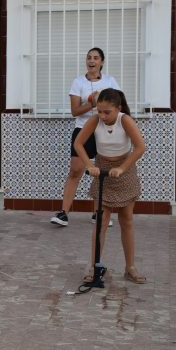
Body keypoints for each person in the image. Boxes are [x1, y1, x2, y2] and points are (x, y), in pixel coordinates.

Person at [74, 88, 146, 284]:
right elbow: (78, 144)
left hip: (125, 171)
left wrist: (122, 168)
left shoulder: (125, 121)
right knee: (101, 222)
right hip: (103, 170)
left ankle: (130, 267)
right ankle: (94, 266)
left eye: (107, 112)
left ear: (118, 108)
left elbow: (140, 147)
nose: (103, 115)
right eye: (99, 111)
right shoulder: (95, 121)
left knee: (126, 220)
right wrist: (89, 165)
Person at [50, 47, 120, 227]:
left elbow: (117, 106)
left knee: (101, 173)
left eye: (96, 58)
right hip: (82, 131)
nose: (92, 61)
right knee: (75, 172)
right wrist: (91, 103)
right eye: (89, 58)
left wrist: (102, 105)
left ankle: (98, 213)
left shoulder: (110, 81)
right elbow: (75, 111)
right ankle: (63, 213)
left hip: (104, 131)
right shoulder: (78, 82)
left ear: (102, 62)